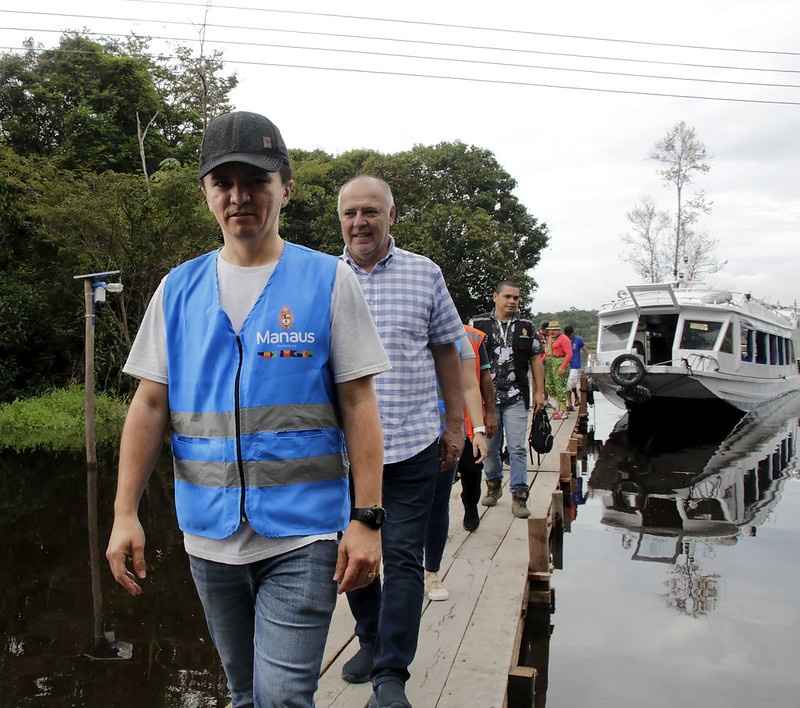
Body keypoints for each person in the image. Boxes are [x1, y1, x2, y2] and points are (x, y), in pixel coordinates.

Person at [105, 111, 391, 708]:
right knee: (242, 695)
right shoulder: (176, 289)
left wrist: (367, 518)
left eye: (256, 181)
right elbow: (150, 403)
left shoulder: (328, 281)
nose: (240, 197)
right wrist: (124, 514)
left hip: (303, 533)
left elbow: (360, 403)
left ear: (284, 187)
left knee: (282, 698)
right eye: (224, 182)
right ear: (207, 193)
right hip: (207, 536)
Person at [337, 175, 465, 708]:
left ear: (392, 215)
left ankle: (392, 677)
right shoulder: (323, 277)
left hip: (412, 441)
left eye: (370, 212)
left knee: (404, 558)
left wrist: (456, 424)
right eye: (349, 214)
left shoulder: (424, 273)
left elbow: (446, 352)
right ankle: (369, 639)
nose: (359, 223)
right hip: (341, 453)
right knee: (352, 555)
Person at [470, 281, 545, 519]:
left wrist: (540, 392)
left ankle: (520, 495)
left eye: (516, 298)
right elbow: (466, 358)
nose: (512, 302)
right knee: (490, 448)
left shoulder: (526, 326)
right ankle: (493, 485)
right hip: (487, 399)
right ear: (495, 297)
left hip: (516, 396)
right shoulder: (477, 324)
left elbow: (535, 359)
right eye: (507, 297)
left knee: (517, 447)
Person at [424, 330, 489, 601]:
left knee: (438, 505)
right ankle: (399, 571)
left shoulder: (457, 335)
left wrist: (479, 431)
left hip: (445, 433)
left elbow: (470, 385)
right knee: (395, 507)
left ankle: (432, 573)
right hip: (401, 433)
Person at [458, 325, 497, 533]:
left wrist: (489, 413)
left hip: (469, 421)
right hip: (438, 421)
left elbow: (484, 377)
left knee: (471, 470)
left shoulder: (473, 336)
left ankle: (470, 505)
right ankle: (436, 521)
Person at [545, 321, 572, 419]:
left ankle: (563, 410)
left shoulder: (564, 338)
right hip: (550, 363)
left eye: (554, 330)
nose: (552, 332)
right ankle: (560, 407)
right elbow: (548, 351)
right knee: (549, 386)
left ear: (558, 330)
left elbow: (569, 353)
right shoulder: (550, 338)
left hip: (560, 362)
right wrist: (541, 360)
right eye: (550, 330)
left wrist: (563, 367)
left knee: (559, 387)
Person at [564, 325, 593, 411]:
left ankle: (574, 398)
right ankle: (570, 402)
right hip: (565, 365)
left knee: (571, 383)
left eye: (570, 335)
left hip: (575, 365)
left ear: (573, 334)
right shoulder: (563, 340)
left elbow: (585, 349)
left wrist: (591, 355)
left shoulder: (578, 340)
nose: (569, 337)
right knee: (567, 384)